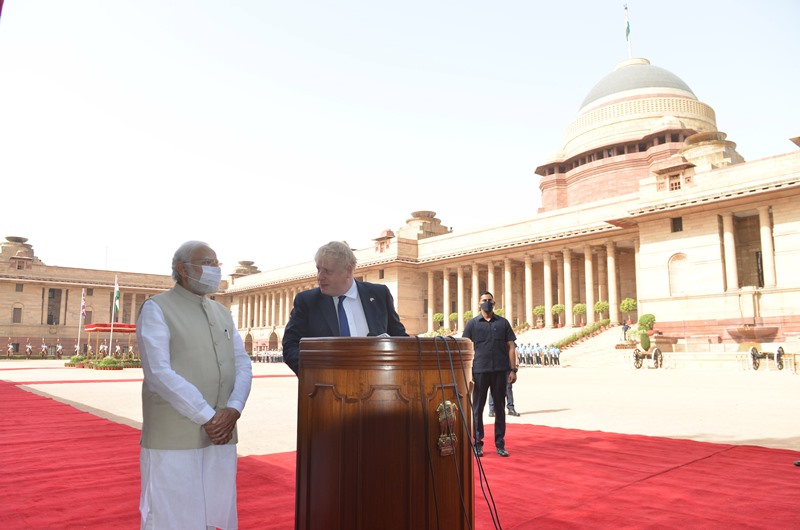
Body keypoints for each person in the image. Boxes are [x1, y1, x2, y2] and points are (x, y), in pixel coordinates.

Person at [136, 240, 252, 530]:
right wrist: (208, 416)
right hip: (174, 436)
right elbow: (159, 373)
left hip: (221, 434)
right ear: (182, 269)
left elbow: (242, 364)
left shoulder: (222, 312)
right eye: (207, 263)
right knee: (171, 516)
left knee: (217, 514)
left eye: (216, 263)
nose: (216, 269)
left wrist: (234, 409)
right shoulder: (157, 308)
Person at [282, 241, 408, 375]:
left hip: (377, 386)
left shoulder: (379, 295)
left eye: (327, 271)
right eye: (318, 269)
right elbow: (290, 345)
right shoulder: (307, 302)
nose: (320, 277)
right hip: (325, 388)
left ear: (348, 271)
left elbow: (399, 338)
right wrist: (312, 374)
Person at [462, 291, 517, 458]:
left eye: (490, 301)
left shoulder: (503, 323)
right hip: (479, 371)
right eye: (484, 300)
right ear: (479, 304)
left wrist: (513, 370)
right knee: (478, 409)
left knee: (500, 408)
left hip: (500, 371)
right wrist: (466, 373)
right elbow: (466, 348)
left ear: (494, 303)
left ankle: (500, 444)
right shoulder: (472, 324)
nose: (487, 303)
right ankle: (478, 443)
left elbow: (511, 347)